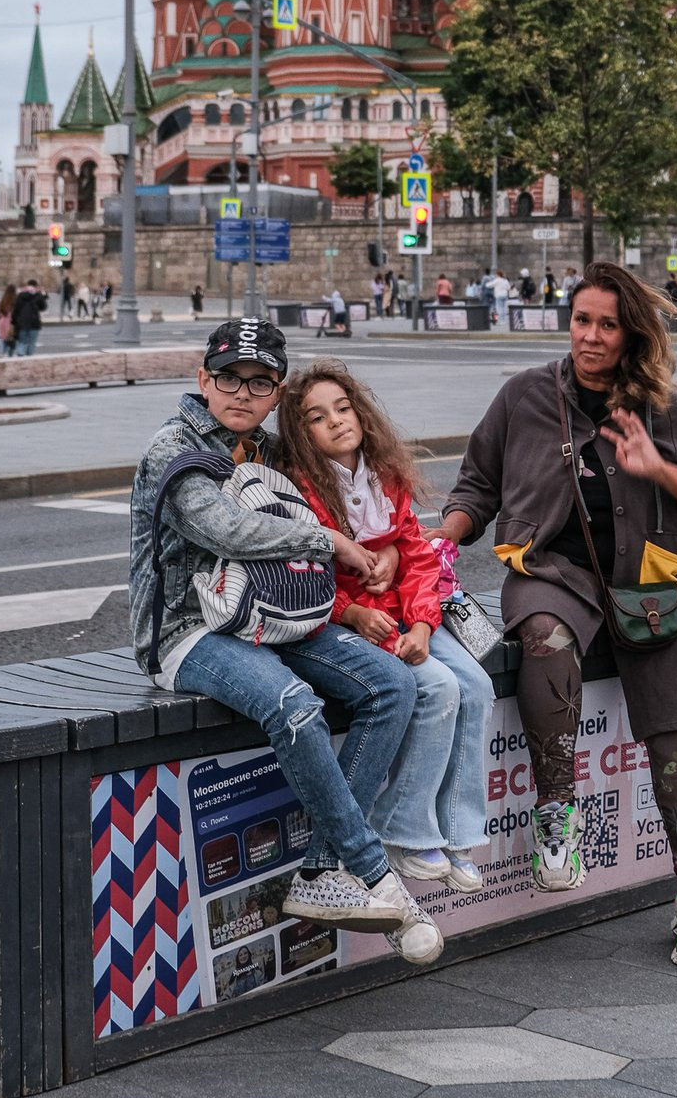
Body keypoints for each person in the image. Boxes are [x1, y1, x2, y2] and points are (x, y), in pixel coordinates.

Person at [435, 260, 677, 968]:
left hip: (653, 583)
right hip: (554, 573)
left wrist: (657, 469)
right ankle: (557, 816)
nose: (591, 336)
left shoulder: (663, 405)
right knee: (544, 638)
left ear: (631, 333)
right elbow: (477, 483)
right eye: (582, 320)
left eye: (607, 324)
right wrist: (444, 534)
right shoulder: (525, 397)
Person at [127, 317, 441, 964]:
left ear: (276, 392)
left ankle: (321, 870)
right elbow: (230, 533)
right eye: (228, 378)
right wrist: (330, 542)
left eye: (260, 382)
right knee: (294, 705)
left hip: (268, 618)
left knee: (393, 684)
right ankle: (376, 876)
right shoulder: (176, 448)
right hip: (188, 634)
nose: (242, 393)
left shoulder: (266, 450)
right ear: (202, 378)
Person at [279, 361, 493, 894]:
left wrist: (422, 625)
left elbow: (420, 558)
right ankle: (404, 825)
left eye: (343, 408)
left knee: (478, 685)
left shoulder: (385, 475)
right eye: (316, 418)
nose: (336, 422)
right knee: (439, 689)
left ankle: (459, 831)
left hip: (409, 614)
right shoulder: (302, 491)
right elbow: (302, 578)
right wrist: (350, 613)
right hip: (361, 622)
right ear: (301, 434)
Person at [10, 278, 48, 357]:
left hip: (21, 322)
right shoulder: (38, 295)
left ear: (28, 285)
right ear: (35, 286)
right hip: (34, 323)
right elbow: (43, 307)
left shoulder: (21, 295)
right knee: (31, 342)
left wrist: (13, 322)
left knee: (22, 341)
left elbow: (16, 309)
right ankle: (29, 359)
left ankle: (20, 357)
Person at [0, 284, 17, 357]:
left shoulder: (1, 301)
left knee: (3, 340)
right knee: (12, 340)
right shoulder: (16, 301)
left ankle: (2, 353)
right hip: (12, 323)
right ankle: (10, 356)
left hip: (2, 322)